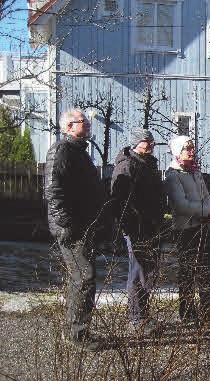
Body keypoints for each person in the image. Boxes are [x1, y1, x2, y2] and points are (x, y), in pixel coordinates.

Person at [45, 109, 107, 350]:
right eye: (83, 122)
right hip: (72, 228)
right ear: (69, 126)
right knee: (84, 277)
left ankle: (78, 329)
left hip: (84, 225)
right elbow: (53, 191)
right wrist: (66, 224)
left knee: (82, 278)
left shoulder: (79, 151)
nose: (88, 125)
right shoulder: (61, 151)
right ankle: (76, 334)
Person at [110, 128, 164, 333]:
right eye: (145, 141)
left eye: (152, 141)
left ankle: (142, 314)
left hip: (151, 225)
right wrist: (131, 226)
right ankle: (136, 318)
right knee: (137, 271)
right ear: (135, 143)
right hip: (136, 227)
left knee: (148, 271)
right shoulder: (126, 166)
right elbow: (119, 201)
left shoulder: (148, 164)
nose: (150, 145)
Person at [164, 136, 210, 323]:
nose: (191, 151)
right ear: (178, 152)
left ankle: (209, 309)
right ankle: (187, 311)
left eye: (192, 148)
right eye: (187, 148)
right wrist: (204, 211)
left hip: (202, 226)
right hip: (185, 229)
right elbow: (181, 205)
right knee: (187, 271)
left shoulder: (195, 172)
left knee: (205, 270)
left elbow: (206, 196)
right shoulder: (173, 175)